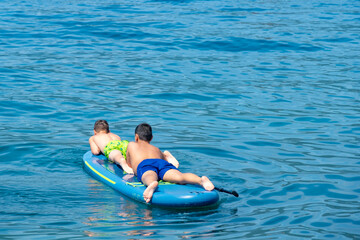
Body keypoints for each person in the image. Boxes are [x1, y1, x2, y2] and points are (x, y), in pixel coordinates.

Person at [126, 123, 214, 203]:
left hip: (145, 164)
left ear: (136, 137)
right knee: (179, 176)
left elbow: (129, 163)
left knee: (149, 174)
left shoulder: (131, 144)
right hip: (161, 163)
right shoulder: (156, 149)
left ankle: (151, 183)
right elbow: (164, 160)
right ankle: (200, 180)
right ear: (151, 138)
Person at [89, 120, 179, 174]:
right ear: (109, 130)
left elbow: (95, 151)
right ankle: (164, 155)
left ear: (94, 131)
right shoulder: (115, 135)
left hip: (110, 147)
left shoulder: (94, 137)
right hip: (124, 144)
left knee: (114, 154)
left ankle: (122, 162)